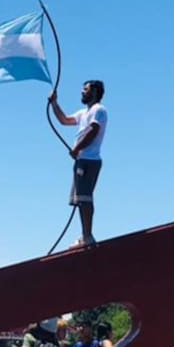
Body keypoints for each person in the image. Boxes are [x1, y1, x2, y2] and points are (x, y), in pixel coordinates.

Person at [48, 80, 108, 248]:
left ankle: (87, 235)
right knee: (81, 199)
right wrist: (54, 103)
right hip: (82, 159)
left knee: (85, 198)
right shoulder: (84, 113)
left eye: (86, 89)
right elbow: (64, 120)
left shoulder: (98, 110)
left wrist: (77, 148)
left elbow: (94, 130)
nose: (82, 92)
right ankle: (85, 235)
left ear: (95, 92)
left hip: (89, 160)